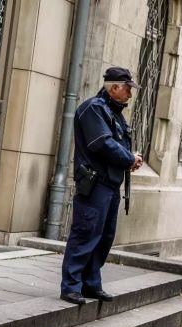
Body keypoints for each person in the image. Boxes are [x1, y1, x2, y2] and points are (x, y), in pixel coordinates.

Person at [60, 67, 144, 305]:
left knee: (104, 237)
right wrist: (129, 159)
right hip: (95, 184)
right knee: (85, 234)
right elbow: (103, 144)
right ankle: (71, 286)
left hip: (110, 185)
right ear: (115, 87)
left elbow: (116, 146)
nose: (130, 94)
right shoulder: (94, 109)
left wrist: (131, 159)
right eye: (128, 88)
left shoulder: (114, 112)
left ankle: (90, 284)